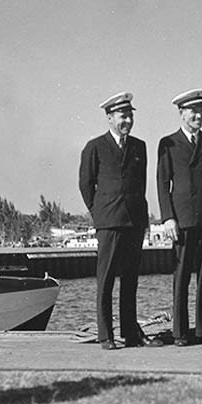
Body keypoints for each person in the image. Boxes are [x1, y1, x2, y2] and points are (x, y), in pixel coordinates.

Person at [78, 92, 162, 350]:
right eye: (122, 116)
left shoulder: (140, 147)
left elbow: (140, 186)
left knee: (130, 280)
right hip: (109, 223)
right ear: (109, 118)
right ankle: (106, 335)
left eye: (130, 115)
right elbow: (85, 185)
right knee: (105, 281)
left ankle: (131, 333)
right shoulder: (95, 147)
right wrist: (100, 214)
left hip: (134, 222)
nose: (127, 120)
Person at [157, 89, 202, 346]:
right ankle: (180, 332)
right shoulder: (168, 143)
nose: (198, 115)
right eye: (193, 111)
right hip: (181, 219)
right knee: (181, 275)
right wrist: (168, 218)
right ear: (181, 113)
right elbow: (163, 183)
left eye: (201, 110)